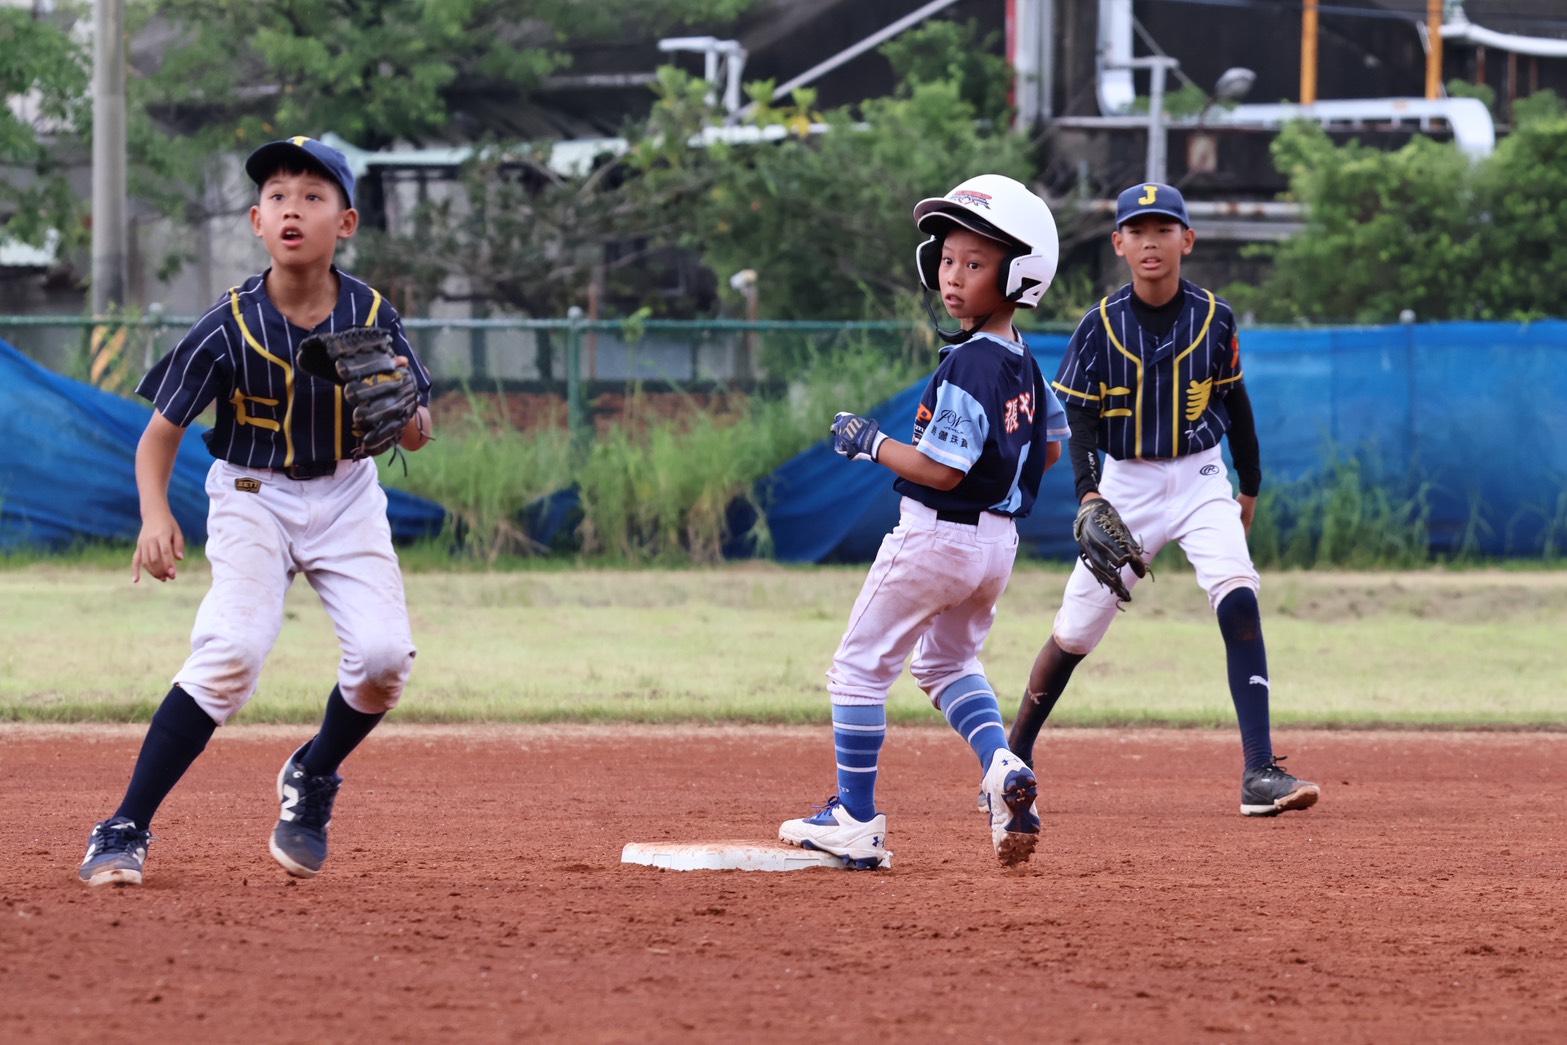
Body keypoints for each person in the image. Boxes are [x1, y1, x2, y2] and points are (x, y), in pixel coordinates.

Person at [77, 136, 435, 886]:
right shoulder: (228, 323)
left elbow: (414, 429)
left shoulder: (371, 309)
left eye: (312, 195)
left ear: (346, 222)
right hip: (250, 494)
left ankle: (313, 772)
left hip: (345, 493)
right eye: (277, 195)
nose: (292, 208)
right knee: (232, 651)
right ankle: (123, 825)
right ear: (255, 220)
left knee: (382, 661)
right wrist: (153, 515)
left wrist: (410, 412)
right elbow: (159, 435)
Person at [779, 174, 1070, 869]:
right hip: (995, 546)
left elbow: (941, 470)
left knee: (856, 669)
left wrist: (869, 442)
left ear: (1018, 273)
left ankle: (853, 817)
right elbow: (1051, 445)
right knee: (944, 662)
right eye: (946, 260)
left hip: (936, 534)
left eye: (974, 263)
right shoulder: (1022, 362)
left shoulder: (968, 363)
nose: (952, 276)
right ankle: (1002, 766)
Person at [1007, 182, 1320, 817]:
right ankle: (1009, 758)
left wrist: (1250, 483)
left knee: (1238, 593)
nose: (1152, 241)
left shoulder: (1216, 317)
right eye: (1138, 231)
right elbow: (1082, 426)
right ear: (1119, 243)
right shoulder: (1098, 326)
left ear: (1188, 239)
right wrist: (1090, 495)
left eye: (1164, 229)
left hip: (1202, 475)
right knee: (1074, 632)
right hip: (1125, 483)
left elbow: (1235, 402)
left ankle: (1259, 772)